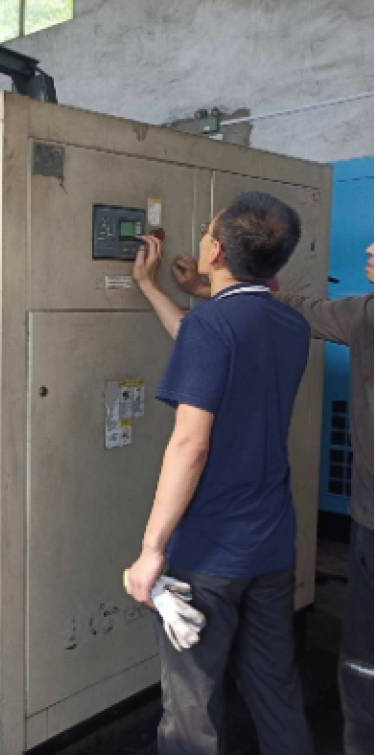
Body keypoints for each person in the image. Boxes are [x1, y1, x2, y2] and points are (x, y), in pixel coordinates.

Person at [124, 192, 314, 754]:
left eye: (208, 231)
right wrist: (154, 289)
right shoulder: (291, 324)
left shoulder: (213, 326)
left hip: (209, 555)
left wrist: (151, 550)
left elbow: (190, 445)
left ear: (217, 250)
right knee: (275, 691)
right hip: (272, 545)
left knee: (192, 709)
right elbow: (208, 338)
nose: (203, 237)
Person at [173, 244, 374, 755]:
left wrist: (153, 549)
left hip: (227, 547)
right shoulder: (359, 316)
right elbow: (291, 309)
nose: (370, 248)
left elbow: (190, 443)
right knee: (341, 673)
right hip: (324, 534)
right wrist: (209, 289)